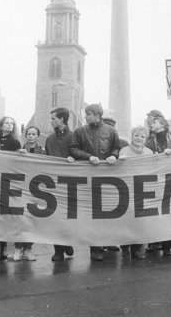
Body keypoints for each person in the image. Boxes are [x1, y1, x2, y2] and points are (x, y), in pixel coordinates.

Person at [69, 104, 121, 261]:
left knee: (110, 210)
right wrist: (88, 157)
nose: (86, 117)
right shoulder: (80, 131)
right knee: (94, 213)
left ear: (98, 115)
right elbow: (73, 149)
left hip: (107, 177)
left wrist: (113, 155)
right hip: (89, 177)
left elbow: (117, 148)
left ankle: (109, 240)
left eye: (88, 114)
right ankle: (96, 247)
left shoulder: (111, 131)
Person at [144, 114, 171, 256]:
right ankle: (164, 244)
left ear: (162, 124)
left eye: (154, 122)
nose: (152, 124)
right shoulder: (149, 140)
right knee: (160, 213)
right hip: (157, 180)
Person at [44, 107, 76, 261]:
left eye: (54, 119)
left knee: (69, 217)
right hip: (54, 184)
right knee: (55, 218)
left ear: (62, 119)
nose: (51, 122)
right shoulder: (50, 139)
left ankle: (67, 242)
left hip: (70, 183)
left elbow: (79, 155)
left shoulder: (74, 137)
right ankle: (58, 250)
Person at [118, 126, 154, 259]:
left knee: (141, 221)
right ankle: (125, 247)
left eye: (142, 136)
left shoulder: (149, 152)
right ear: (132, 136)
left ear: (146, 139)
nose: (139, 138)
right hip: (127, 190)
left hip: (142, 191)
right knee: (127, 220)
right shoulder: (124, 151)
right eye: (136, 135)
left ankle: (138, 248)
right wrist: (120, 161)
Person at [0, 116, 21, 261]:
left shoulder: (14, 142)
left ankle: (2, 246)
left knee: (5, 213)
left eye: (12, 124)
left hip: (7, 178)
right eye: (7, 123)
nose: (10, 125)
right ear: (1, 125)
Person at [10, 126, 43, 262]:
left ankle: (28, 249)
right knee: (20, 219)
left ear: (38, 136)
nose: (31, 136)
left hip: (36, 189)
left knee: (32, 221)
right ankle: (18, 249)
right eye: (28, 134)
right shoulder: (19, 151)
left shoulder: (43, 152)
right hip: (21, 188)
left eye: (33, 134)